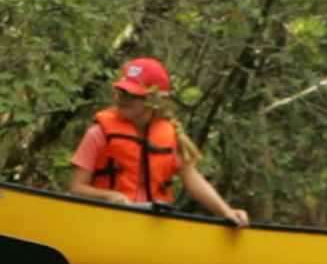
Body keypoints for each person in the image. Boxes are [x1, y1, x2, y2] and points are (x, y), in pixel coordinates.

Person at [69, 58, 248, 225]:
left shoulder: (171, 136)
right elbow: (76, 188)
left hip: (152, 225)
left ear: (154, 100)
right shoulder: (97, 134)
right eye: (122, 92)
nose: (123, 99)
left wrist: (227, 211)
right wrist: (108, 196)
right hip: (107, 221)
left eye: (132, 94)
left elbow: (193, 180)